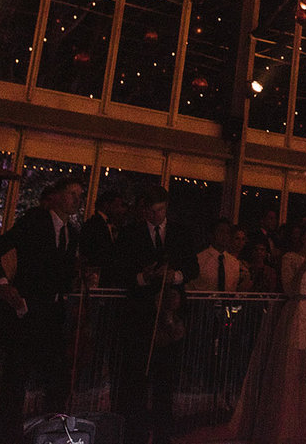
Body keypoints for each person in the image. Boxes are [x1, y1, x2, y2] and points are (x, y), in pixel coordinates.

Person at [0, 175, 83, 444]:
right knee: (16, 380)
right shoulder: (36, 221)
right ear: (58, 196)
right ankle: (7, 437)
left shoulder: (71, 233)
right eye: (72, 193)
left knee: (56, 380)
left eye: (79, 195)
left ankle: (51, 435)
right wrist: (4, 286)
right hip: (28, 313)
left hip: (52, 314)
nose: (77, 199)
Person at [227, 222, 306, 444]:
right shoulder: (290, 258)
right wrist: (304, 268)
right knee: (291, 367)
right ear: (302, 237)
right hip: (297, 310)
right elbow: (288, 289)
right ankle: (285, 427)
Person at [114, 185, 200, 444]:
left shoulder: (181, 233)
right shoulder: (130, 234)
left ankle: (164, 433)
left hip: (170, 318)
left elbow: (192, 268)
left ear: (166, 208)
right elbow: (119, 270)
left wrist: (175, 276)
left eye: (159, 210)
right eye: (151, 211)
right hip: (140, 318)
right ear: (144, 211)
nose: (155, 216)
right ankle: (134, 434)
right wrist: (143, 277)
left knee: (166, 380)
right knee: (137, 379)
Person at [79, 188, 125, 286]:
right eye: (117, 206)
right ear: (106, 205)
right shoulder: (94, 225)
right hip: (96, 278)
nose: (120, 210)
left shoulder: (110, 225)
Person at [191, 218, 251, 293]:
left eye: (227, 232)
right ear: (212, 235)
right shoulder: (200, 260)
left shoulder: (234, 262)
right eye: (221, 231)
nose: (224, 235)